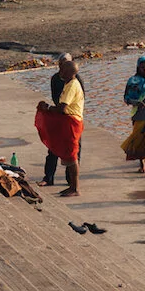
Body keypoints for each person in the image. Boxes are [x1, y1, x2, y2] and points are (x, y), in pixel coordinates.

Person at [34, 54, 85, 197]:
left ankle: (75, 187)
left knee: (72, 155)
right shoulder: (66, 83)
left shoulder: (72, 85)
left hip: (71, 122)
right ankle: (64, 183)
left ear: (69, 72)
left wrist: (48, 108)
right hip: (67, 121)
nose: (60, 72)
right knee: (64, 152)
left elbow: (62, 107)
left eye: (63, 69)